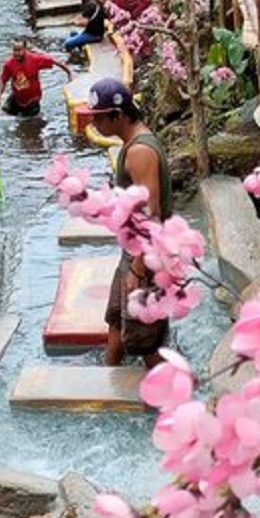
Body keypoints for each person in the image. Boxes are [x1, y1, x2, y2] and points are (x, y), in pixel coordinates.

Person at [74, 78, 173, 369]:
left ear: (118, 116)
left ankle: (172, 398)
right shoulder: (133, 145)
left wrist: (139, 267)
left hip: (147, 255)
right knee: (117, 318)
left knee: (144, 338)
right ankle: (109, 373)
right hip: (133, 252)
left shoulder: (140, 153)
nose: (94, 125)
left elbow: (151, 213)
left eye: (98, 118)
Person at [0, 38, 72, 117]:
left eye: (19, 50)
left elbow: (54, 61)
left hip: (32, 99)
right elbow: (3, 80)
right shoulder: (9, 64)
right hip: (17, 97)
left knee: (29, 121)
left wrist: (68, 72)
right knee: (4, 113)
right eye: (14, 50)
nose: (16, 53)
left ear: (25, 50)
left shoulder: (34, 59)